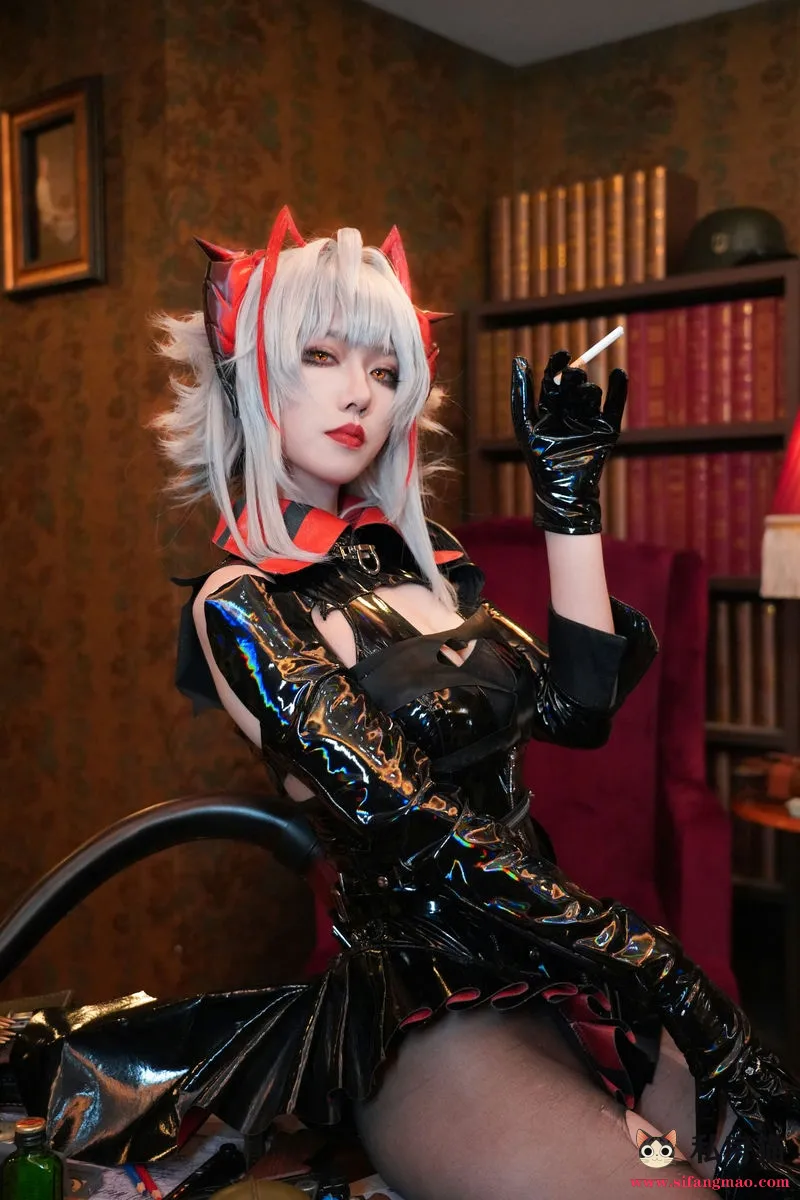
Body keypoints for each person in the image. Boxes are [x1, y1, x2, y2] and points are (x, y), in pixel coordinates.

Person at [5, 208, 800, 1198]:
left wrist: (569, 508)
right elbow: (418, 825)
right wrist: (652, 961)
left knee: (741, 1163)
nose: (359, 393)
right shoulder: (241, 604)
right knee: (658, 1187)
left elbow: (578, 712)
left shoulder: (429, 573)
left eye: (384, 372)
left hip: (569, 991)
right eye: (322, 356)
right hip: (430, 1026)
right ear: (252, 374)